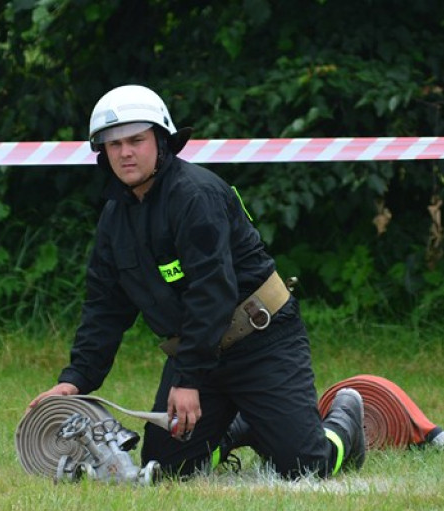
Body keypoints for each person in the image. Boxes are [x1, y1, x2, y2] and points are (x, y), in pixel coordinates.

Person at [28, 84, 365, 479]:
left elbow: (212, 291)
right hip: (197, 350)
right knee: (167, 470)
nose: (125, 152)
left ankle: (346, 421)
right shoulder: (114, 218)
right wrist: (75, 381)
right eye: (114, 144)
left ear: (161, 140)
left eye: (136, 139)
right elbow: (105, 306)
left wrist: (188, 380)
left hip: (260, 340)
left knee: (306, 467)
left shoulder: (195, 195)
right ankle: (247, 423)